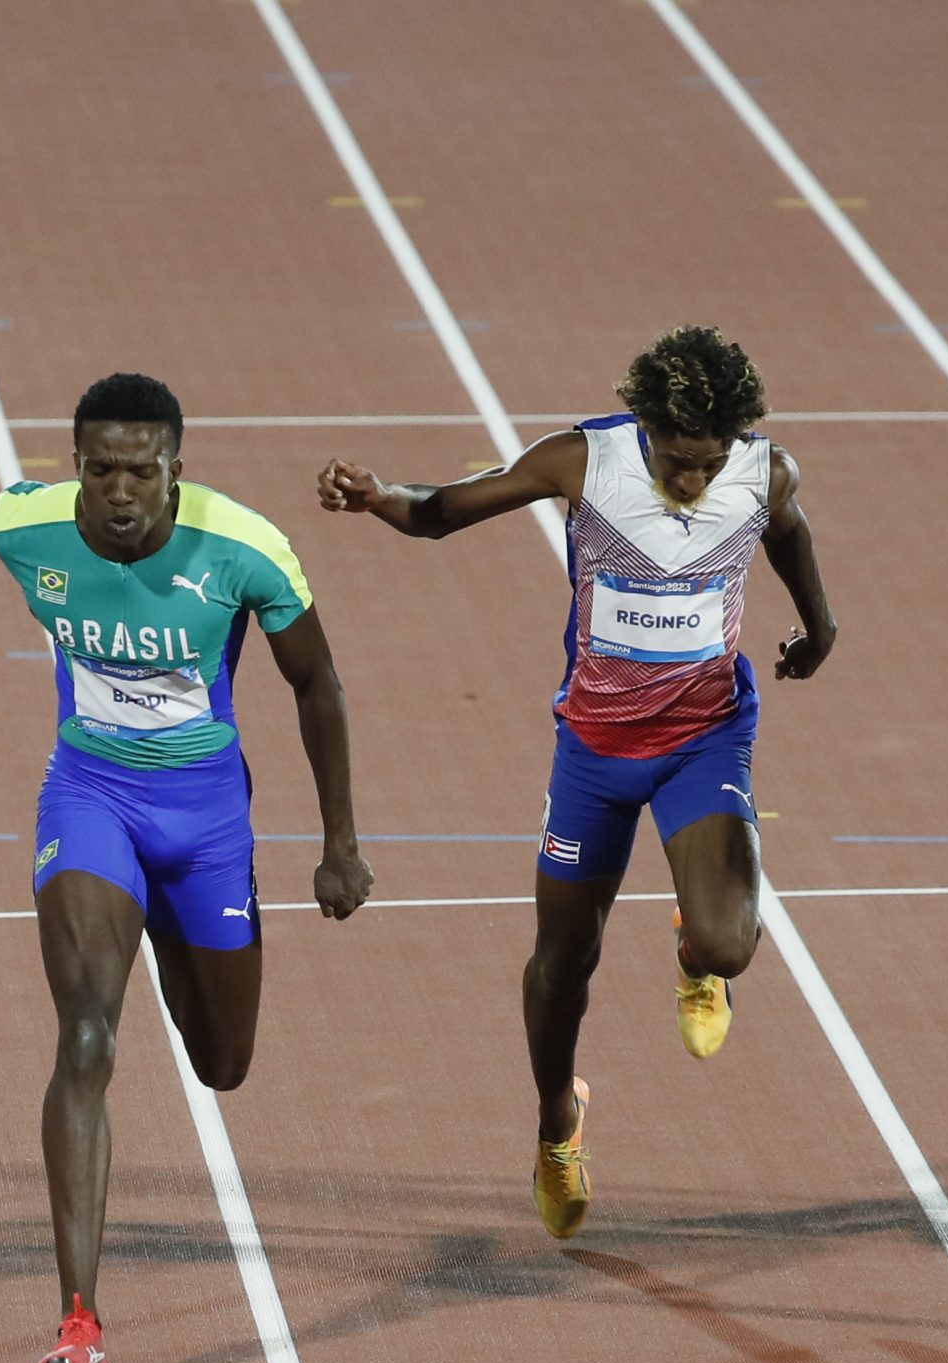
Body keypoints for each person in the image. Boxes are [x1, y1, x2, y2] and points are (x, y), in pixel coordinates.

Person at [316, 325, 836, 1239]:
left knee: (728, 943)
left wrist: (820, 631)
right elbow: (445, 511)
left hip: (704, 738)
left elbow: (788, 536)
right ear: (646, 429)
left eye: (709, 463)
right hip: (595, 752)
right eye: (677, 462)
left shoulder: (764, 474)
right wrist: (380, 497)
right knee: (562, 966)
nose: (693, 483)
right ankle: (558, 1121)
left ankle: (694, 956)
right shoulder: (583, 461)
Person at [0, 373, 372, 1363]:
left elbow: (316, 684)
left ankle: (166, 924)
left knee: (223, 1063)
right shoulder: (22, 531)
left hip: (206, 822)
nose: (121, 492)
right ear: (76, 467)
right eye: (101, 471)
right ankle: (78, 1318)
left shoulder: (243, 549)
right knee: (85, 1037)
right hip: (90, 797)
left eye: (142, 471)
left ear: (175, 469)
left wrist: (338, 844)